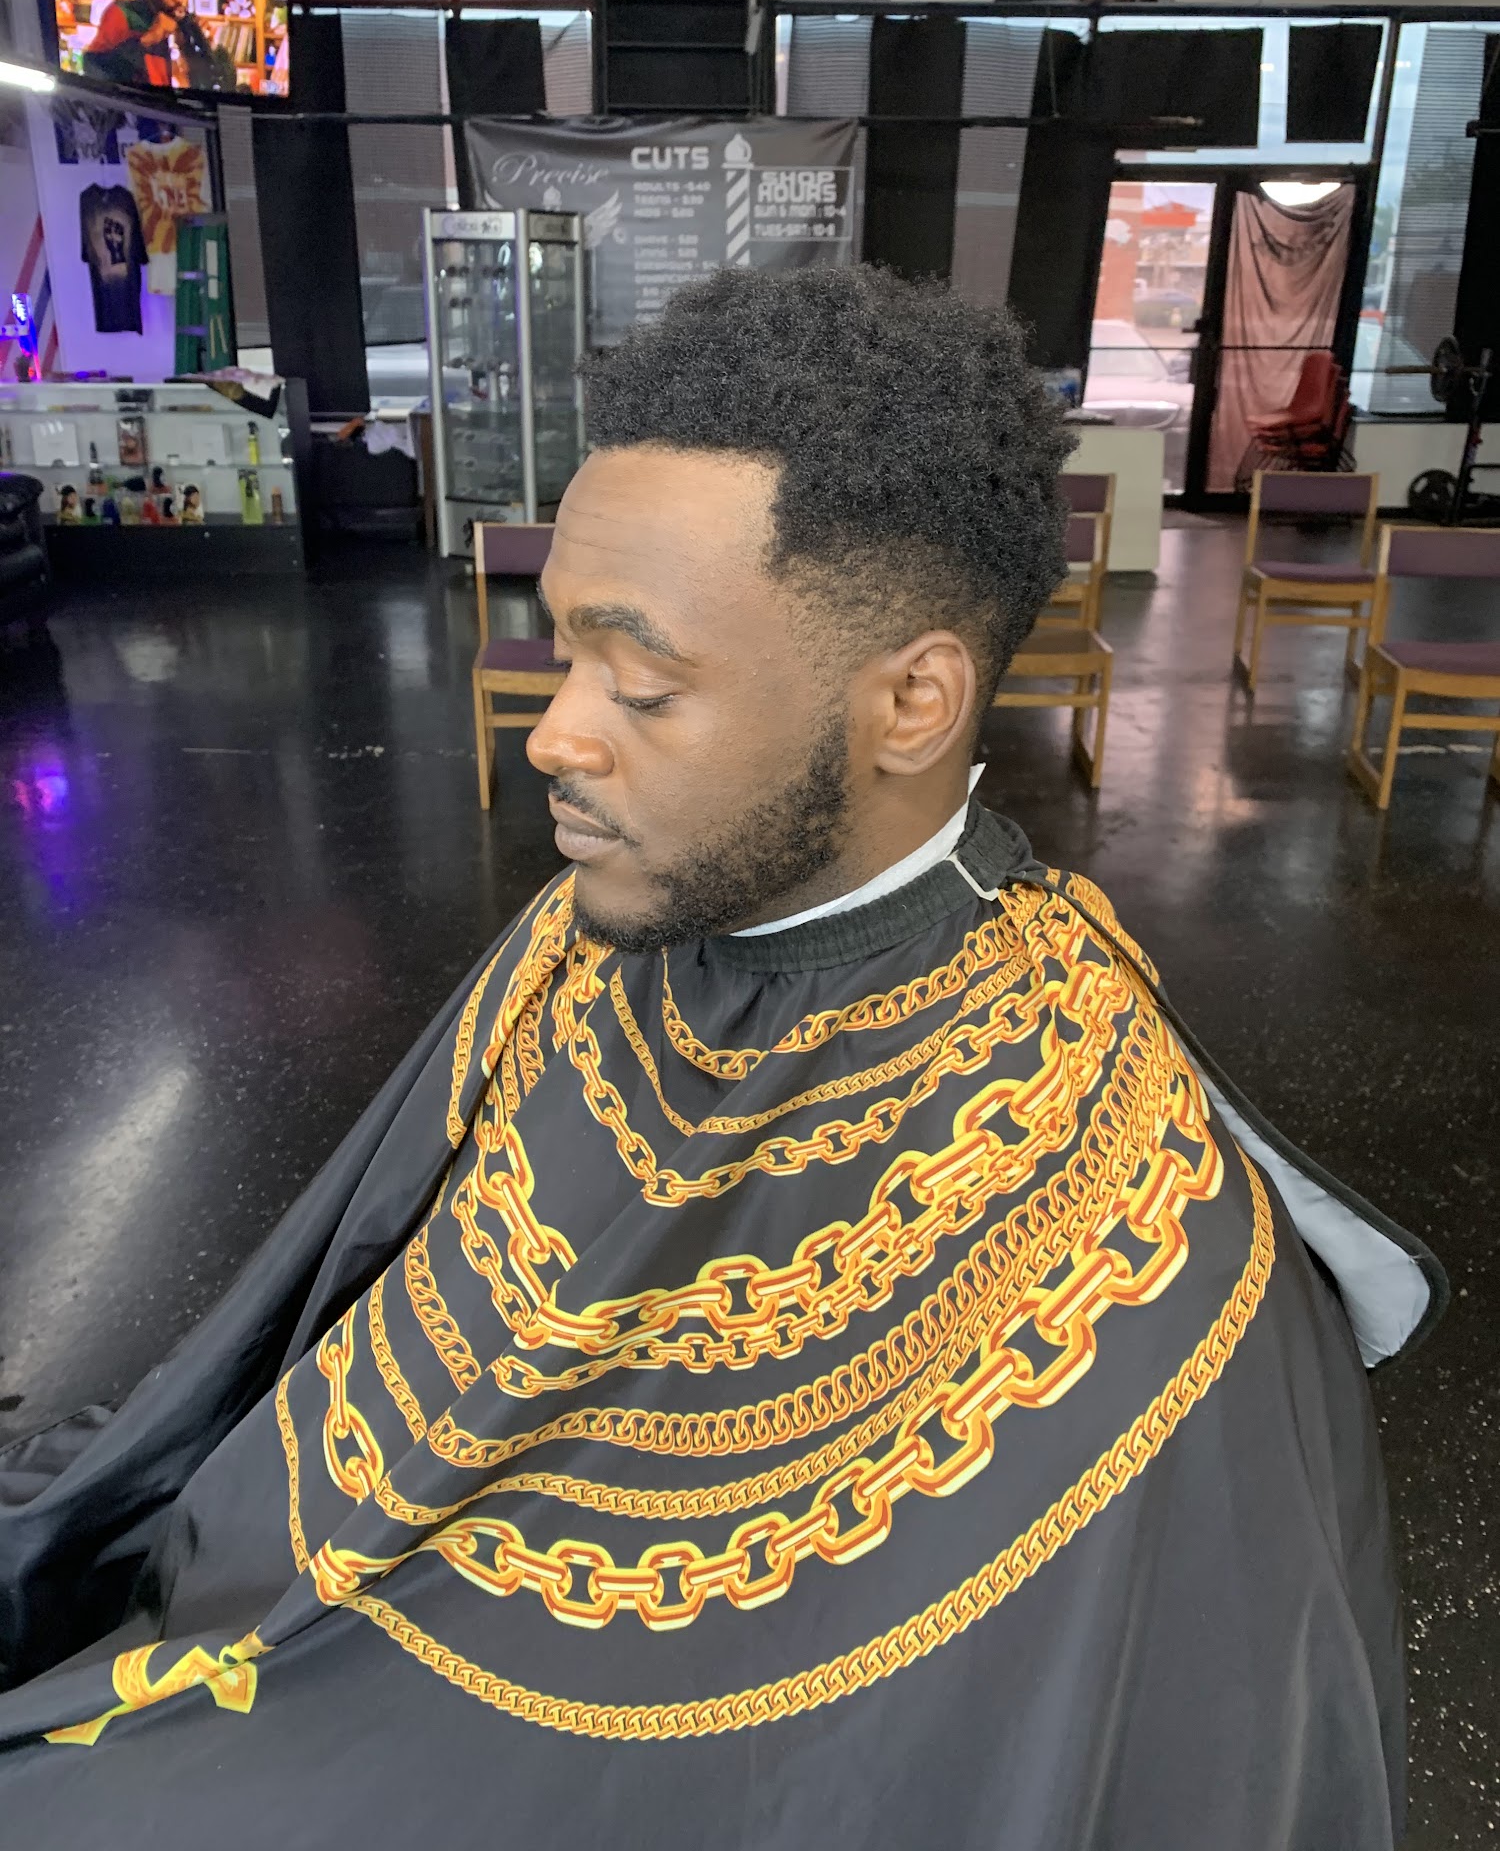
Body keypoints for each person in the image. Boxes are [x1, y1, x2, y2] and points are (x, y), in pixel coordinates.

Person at [0, 267, 1442, 1848]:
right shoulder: (596, 932)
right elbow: (337, 1312)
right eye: (565, 655)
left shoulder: (1146, 1243)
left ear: (912, 702)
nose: (557, 735)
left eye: (644, 684)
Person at [82, 0, 223, 92]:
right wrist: (147, 40)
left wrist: (208, 49)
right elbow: (93, 68)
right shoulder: (123, 14)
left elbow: (212, 84)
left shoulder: (186, 23)